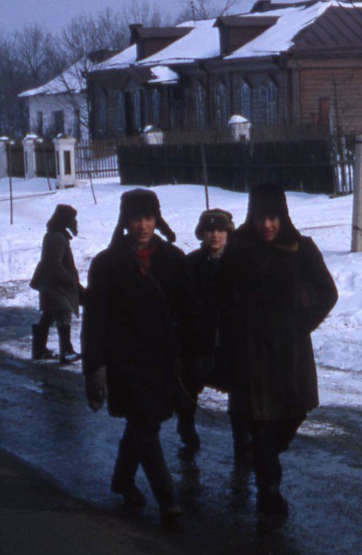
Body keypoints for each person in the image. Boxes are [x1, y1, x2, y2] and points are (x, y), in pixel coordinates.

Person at [82, 189, 207, 524]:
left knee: (143, 424)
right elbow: (94, 321)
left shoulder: (173, 259)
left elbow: (191, 310)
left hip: (164, 360)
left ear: (157, 219)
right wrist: (94, 368)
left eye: (149, 217)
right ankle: (168, 500)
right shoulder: (107, 264)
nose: (142, 225)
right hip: (125, 362)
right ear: (125, 221)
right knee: (145, 426)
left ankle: (122, 480)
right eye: (136, 218)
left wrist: (197, 356)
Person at [214, 184, 338, 520]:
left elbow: (328, 292)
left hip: (289, 352)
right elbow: (222, 297)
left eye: (272, 217)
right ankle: (269, 491)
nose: (266, 225)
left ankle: (266, 454)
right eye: (259, 218)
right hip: (251, 352)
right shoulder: (238, 248)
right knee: (261, 423)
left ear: (282, 216)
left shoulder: (301, 248)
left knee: (294, 412)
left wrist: (300, 324)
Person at [176, 207, 235, 459]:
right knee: (191, 386)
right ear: (202, 233)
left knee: (238, 391)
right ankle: (186, 427)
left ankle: (242, 440)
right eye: (210, 230)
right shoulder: (190, 264)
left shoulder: (238, 262)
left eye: (221, 230)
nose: (215, 235)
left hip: (230, 339)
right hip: (197, 338)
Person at [29, 204, 81, 362]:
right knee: (63, 313)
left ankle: (39, 349)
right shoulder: (57, 237)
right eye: (72, 219)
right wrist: (70, 279)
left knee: (49, 314)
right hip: (56, 285)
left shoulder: (54, 234)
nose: (74, 222)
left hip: (49, 283)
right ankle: (66, 351)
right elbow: (54, 264)